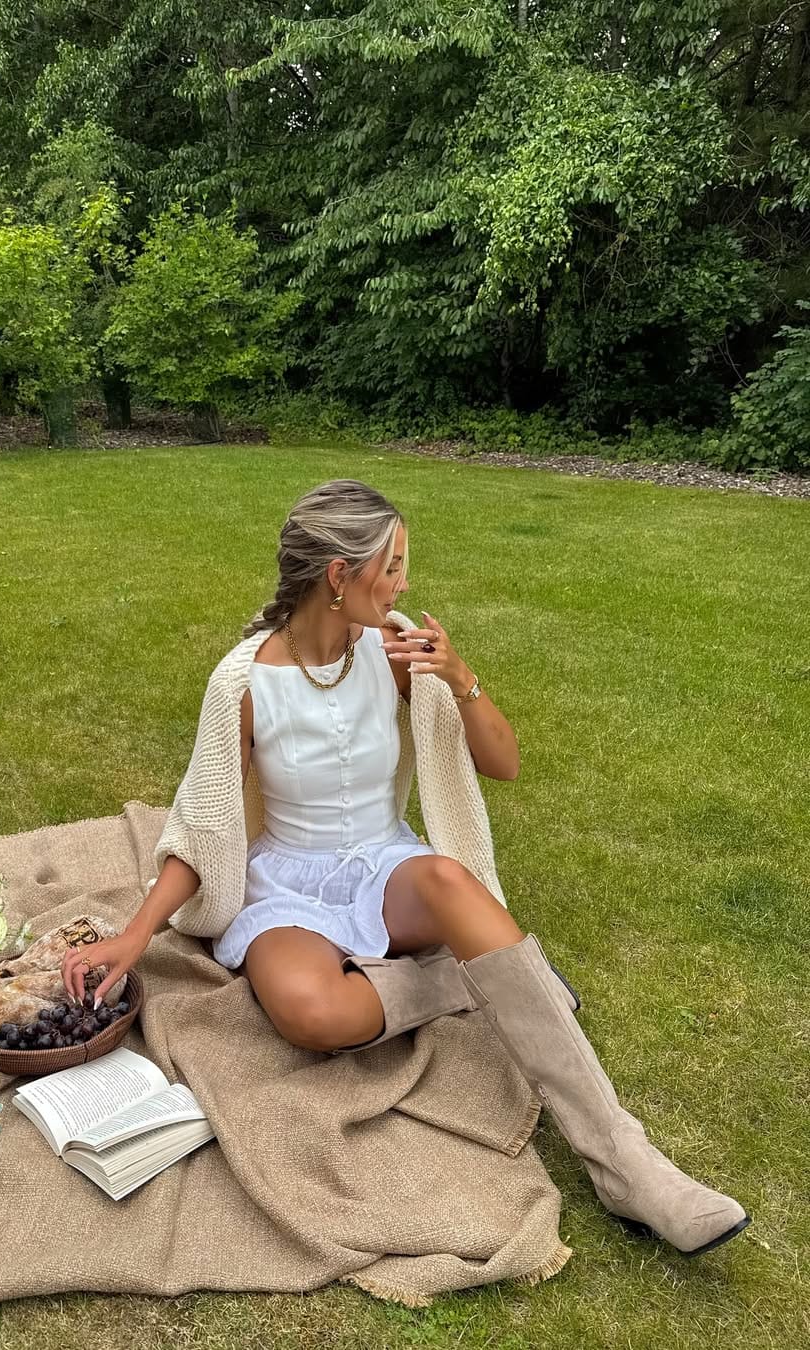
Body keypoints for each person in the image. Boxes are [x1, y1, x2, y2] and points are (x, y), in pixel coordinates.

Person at [62, 479, 749, 1258]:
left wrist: (462, 681)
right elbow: (204, 828)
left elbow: (505, 764)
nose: (403, 583)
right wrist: (135, 935)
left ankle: (628, 1162)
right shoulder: (242, 684)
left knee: (453, 880)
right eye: (392, 567)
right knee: (314, 1017)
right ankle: (474, 978)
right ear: (337, 576)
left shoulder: (395, 652)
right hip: (286, 881)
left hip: (387, 862)